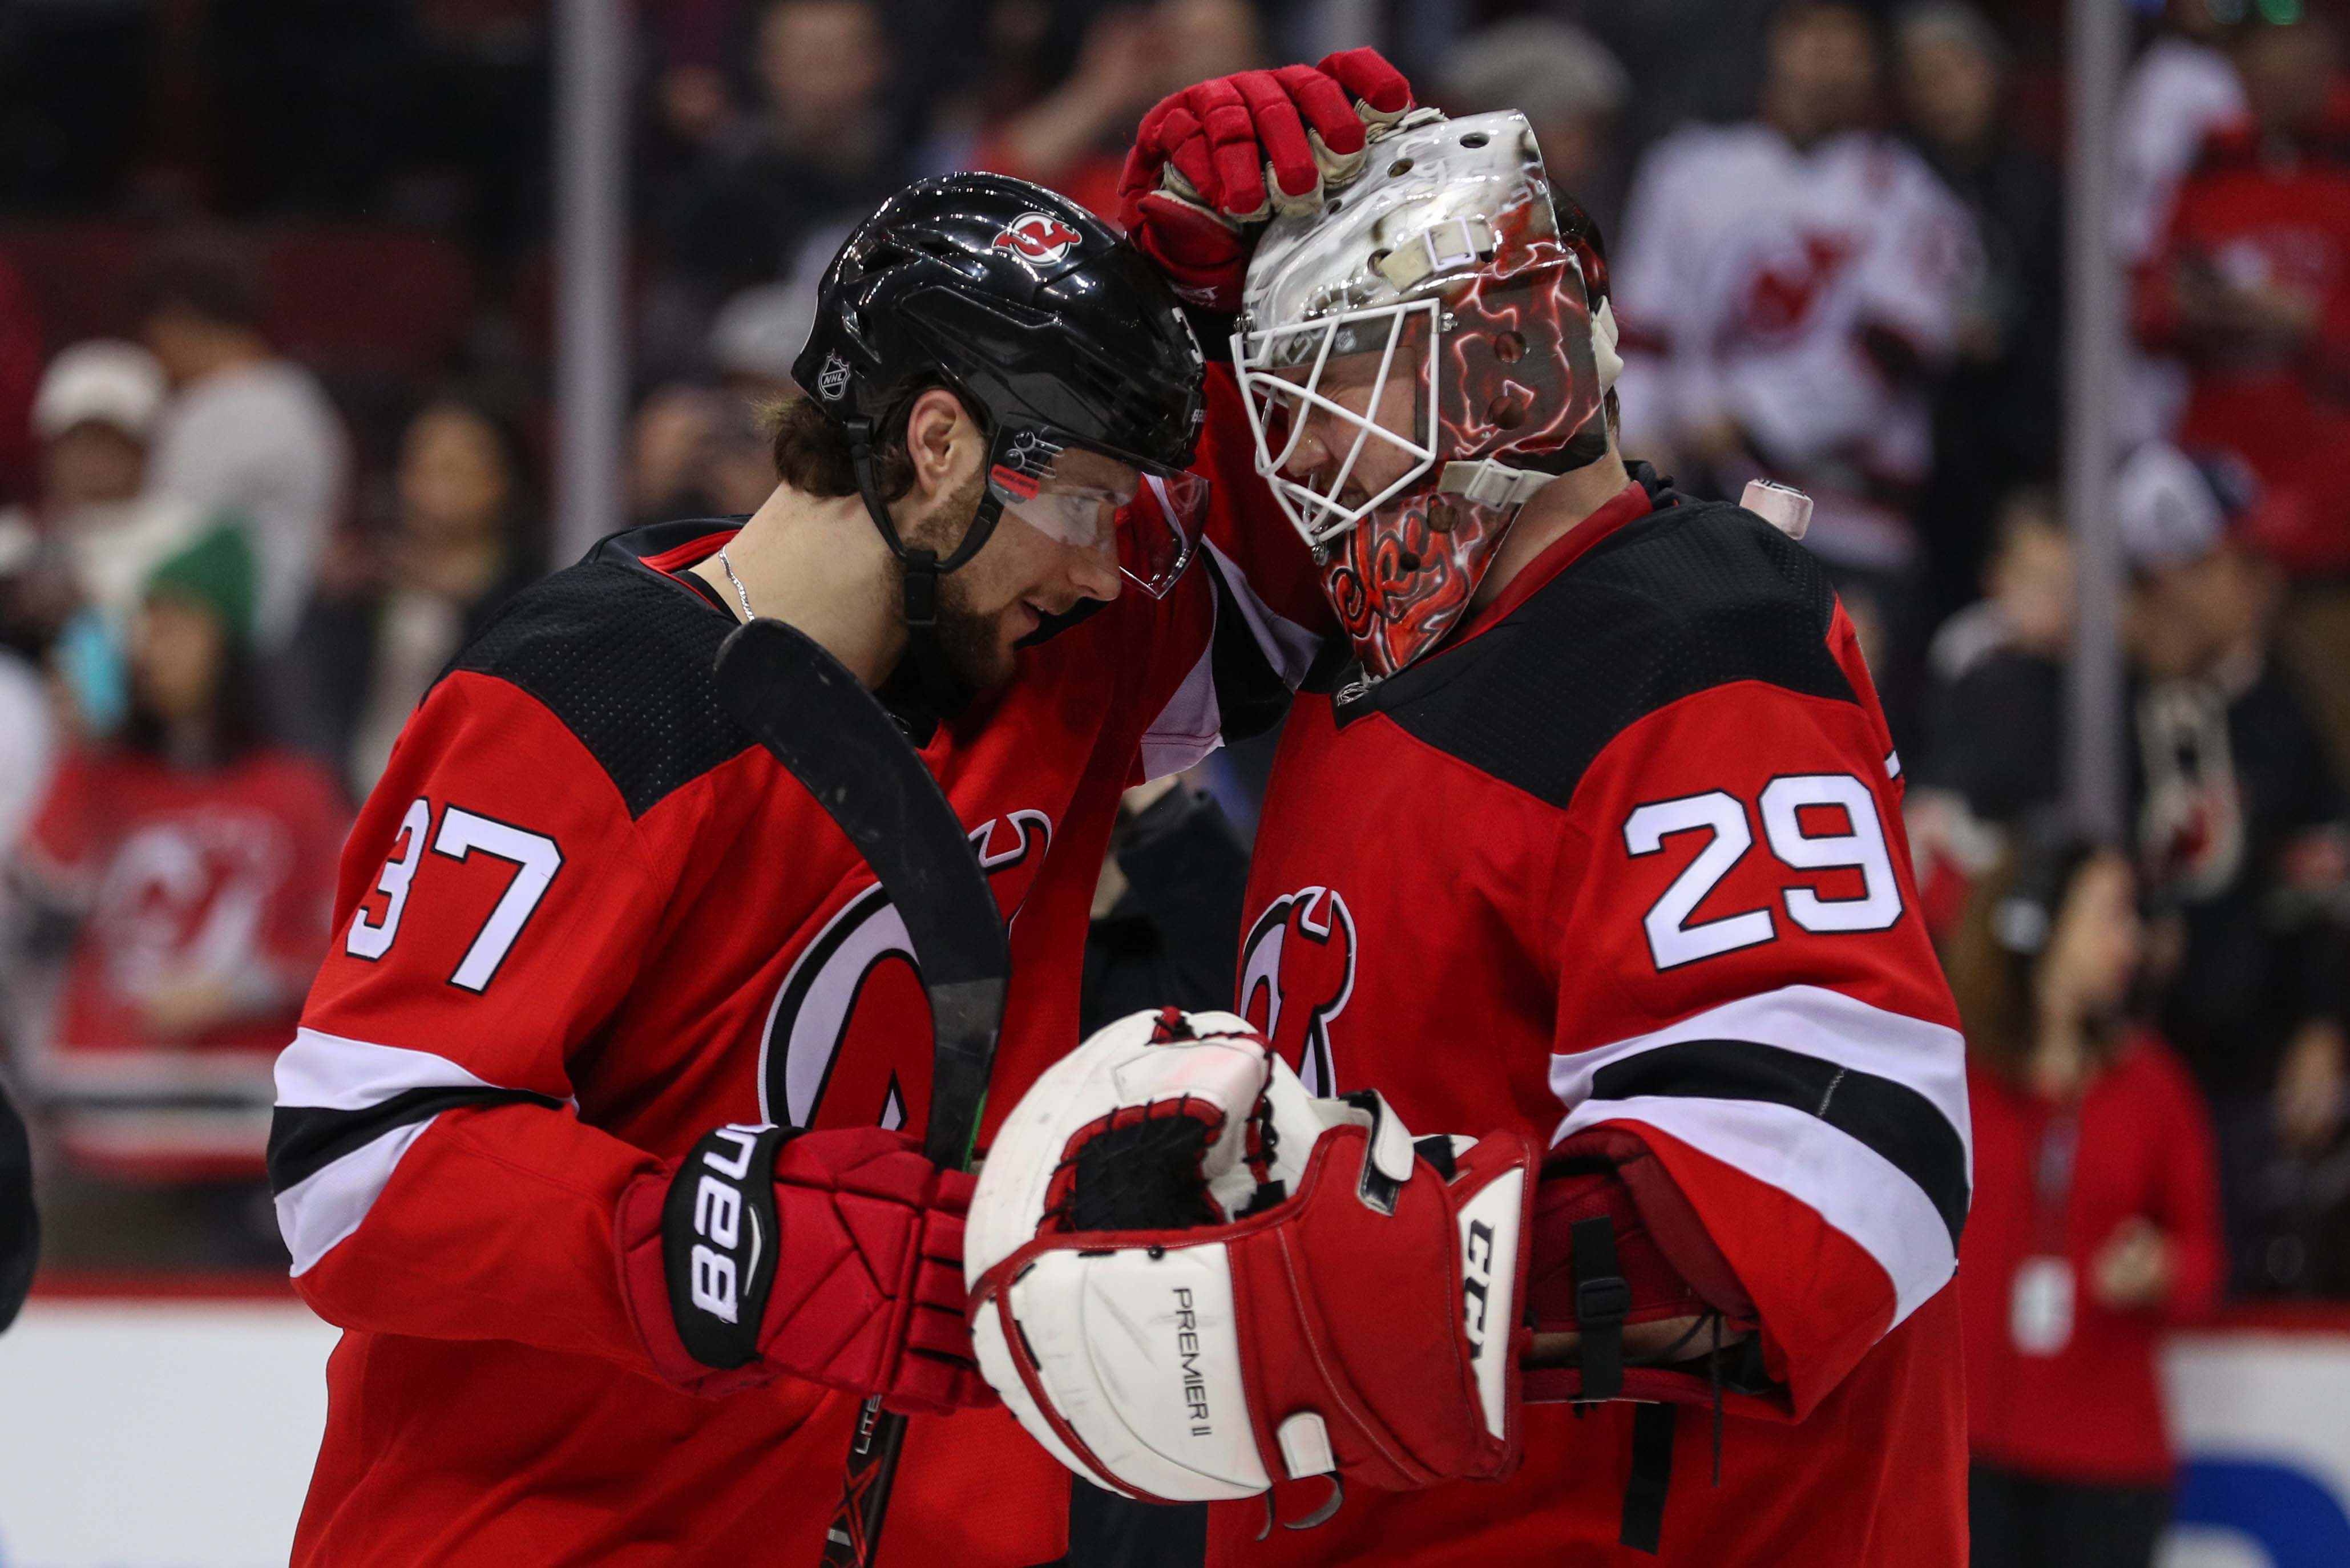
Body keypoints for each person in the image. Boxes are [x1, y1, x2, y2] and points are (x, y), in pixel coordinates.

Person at [264, 152, 1368, 1564]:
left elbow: (1306, 584)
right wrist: (705, 1242)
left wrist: (1236, 282)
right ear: (941, 443)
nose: (1108, 565)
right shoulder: (592, 702)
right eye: (1087, 501)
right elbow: (353, 1168)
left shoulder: (1039, 662)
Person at [984, 83, 1968, 1561]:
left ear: (1505, 360)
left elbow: (1831, 1175)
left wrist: (1301, 1308)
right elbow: (1039, 658)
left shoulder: (1683, 640)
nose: (1297, 452)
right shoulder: (1361, 657)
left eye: (1336, 374)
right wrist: (1152, 329)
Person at [1612, 0, 1977, 695]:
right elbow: (1642, 333)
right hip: (1695, 515)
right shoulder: (1688, 172)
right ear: (1775, 42)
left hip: (1850, 529)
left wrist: (1734, 419)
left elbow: (1885, 360)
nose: (1824, 53)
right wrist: (1639, 451)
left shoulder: (1911, 195)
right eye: (1807, 30)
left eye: (1844, 35)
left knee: (1848, 737)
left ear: (1873, 58)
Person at [15, 526, 346, 1263]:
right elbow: (43, 894)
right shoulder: (105, 777)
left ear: (229, 642)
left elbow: (345, 944)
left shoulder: (294, 790)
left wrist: (234, 989)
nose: (153, 646)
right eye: (147, 624)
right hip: (101, 1140)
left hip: (242, 1151)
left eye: (177, 623)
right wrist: (81, 755)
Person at [1945, 831, 2224, 1568]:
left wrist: (2159, 1269)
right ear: (2036, 923)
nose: (2129, 939)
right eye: (2109, 913)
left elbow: (2203, 1265)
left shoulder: (2154, 1088)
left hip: (2106, 1465)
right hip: (1962, 1449)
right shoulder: (1953, 1077)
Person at [277, 395, 544, 798]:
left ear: (504, 481)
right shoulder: (368, 582)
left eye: (461, 461)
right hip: (358, 798)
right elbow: (305, 698)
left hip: (475, 806)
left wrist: (466, 601)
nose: (437, 475)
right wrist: (330, 606)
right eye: (423, 459)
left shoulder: (532, 594)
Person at [1895, 2, 2064, 632]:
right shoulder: (1889, 181)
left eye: (1955, 72)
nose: (1942, 94)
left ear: (1993, 74)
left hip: (2012, 443)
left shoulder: (2038, 186)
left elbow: (2061, 315)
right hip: (1921, 452)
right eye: (1923, 77)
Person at [135, 229, 349, 652]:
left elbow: (169, 540)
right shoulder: (298, 398)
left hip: (243, 646)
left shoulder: (230, 412)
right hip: (264, 636)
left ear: (177, 320)